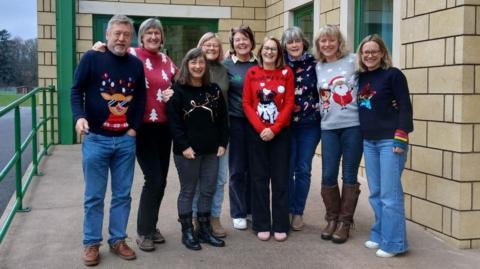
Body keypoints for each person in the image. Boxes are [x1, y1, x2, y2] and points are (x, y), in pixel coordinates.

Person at [91, 18, 178, 252]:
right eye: (148, 33)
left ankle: (151, 225)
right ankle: (143, 232)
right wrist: (97, 48)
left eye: (157, 33)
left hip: (164, 128)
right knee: (154, 179)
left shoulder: (167, 60)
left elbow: (180, 81)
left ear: (161, 38)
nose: (153, 37)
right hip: (140, 127)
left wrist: (175, 91)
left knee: (161, 180)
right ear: (140, 36)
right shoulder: (130, 53)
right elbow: (106, 55)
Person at [71, 15, 146, 266]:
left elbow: (141, 99)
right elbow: (76, 90)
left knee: (122, 195)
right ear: (107, 35)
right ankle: (91, 243)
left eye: (126, 34)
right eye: (117, 33)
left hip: (125, 141)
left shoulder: (136, 64)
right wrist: (79, 117)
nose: (121, 38)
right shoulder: (92, 58)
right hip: (96, 140)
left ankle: (118, 240)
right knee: (94, 196)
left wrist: (133, 129)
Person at [356, 34, 413, 258]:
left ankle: (395, 242)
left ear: (382, 53)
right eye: (365, 51)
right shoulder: (360, 78)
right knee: (377, 193)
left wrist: (401, 136)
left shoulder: (393, 75)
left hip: (390, 141)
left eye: (374, 51)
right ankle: (380, 233)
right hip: (369, 141)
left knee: (390, 195)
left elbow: (406, 107)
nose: (369, 55)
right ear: (361, 55)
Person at [167, 48, 228, 251]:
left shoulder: (214, 90)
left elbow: (222, 120)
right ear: (186, 64)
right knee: (188, 190)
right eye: (193, 62)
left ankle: (204, 229)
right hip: (187, 152)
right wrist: (184, 146)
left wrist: (222, 143)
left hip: (212, 150)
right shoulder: (178, 90)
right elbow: (174, 123)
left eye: (201, 62)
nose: (198, 66)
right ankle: (187, 231)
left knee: (208, 190)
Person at [243, 37, 294, 242]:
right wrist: (261, 127)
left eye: (274, 49)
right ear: (261, 51)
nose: (270, 52)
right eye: (266, 48)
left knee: (280, 178)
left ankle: (281, 224)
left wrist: (274, 128)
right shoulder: (252, 73)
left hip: (280, 133)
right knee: (259, 179)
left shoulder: (286, 73)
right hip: (257, 132)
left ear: (279, 52)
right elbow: (247, 103)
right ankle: (261, 223)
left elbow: (289, 102)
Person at [314, 24, 362, 244]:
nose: (327, 44)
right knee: (328, 174)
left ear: (338, 42)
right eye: (323, 41)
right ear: (318, 45)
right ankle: (332, 218)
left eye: (331, 40)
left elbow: (375, 65)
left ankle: (345, 222)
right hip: (329, 128)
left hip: (353, 125)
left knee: (350, 175)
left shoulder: (353, 60)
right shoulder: (318, 67)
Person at [281, 27, 321, 231]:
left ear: (303, 42)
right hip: (286, 126)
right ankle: (286, 209)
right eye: (289, 42)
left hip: (309, 124)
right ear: (284, 45)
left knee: (303, 169)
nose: (294, 45)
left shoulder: (315, 63)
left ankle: (298, 212)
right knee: (287, 168)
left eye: (297, 41)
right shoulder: (280, 64)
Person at [191, 32, 229, 238]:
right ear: (200, 46)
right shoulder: (191, 68)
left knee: (220, 178)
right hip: (197, 133)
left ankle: (214, 217)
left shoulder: (225, 69)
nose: (212, 48)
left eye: (215, 45)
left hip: (221, 133)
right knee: (199, 179)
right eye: (207, 45)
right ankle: (197, 217)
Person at [224, 25, 258, 230]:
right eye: (237, 40)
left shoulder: (261, 63)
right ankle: (238, 211)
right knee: (237, 169)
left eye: (245, 39)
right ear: (233, 44)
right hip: (235, 121)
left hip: (257, 123)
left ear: (252, 42)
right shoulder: (226, 65)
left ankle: (252, 208)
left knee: (255, 168)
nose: (242, 43)